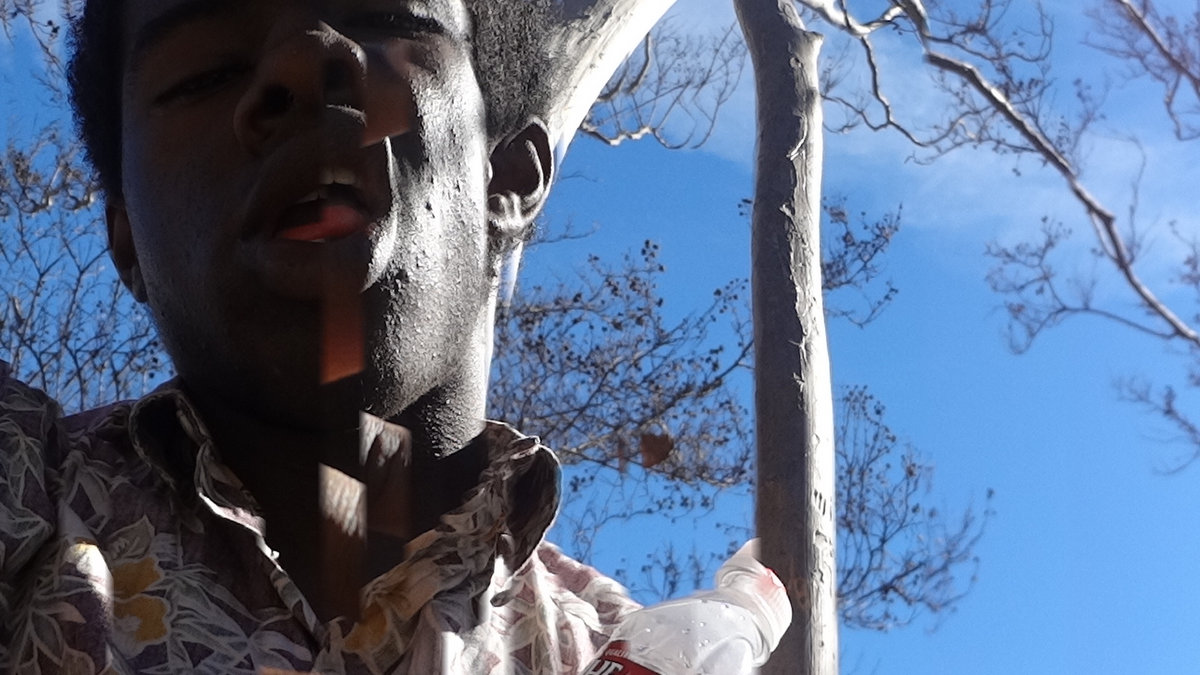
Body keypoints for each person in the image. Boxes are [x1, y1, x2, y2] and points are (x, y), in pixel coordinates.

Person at [0, 0, 642, 672]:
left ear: (508, 175)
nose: (305, 61)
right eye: (206, 74)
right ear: (127, 236)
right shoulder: (27, 499)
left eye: (382, 18)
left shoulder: (642, 653)